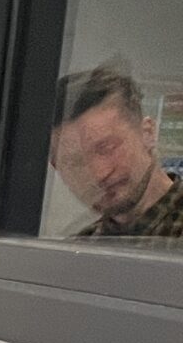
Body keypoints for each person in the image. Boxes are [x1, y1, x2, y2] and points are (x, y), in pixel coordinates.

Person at [50, 66, 182, 242]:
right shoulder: (77, 250)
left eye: (107, 147)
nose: (99, 174)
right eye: (76, 162)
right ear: (57, 168)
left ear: (148, 134)